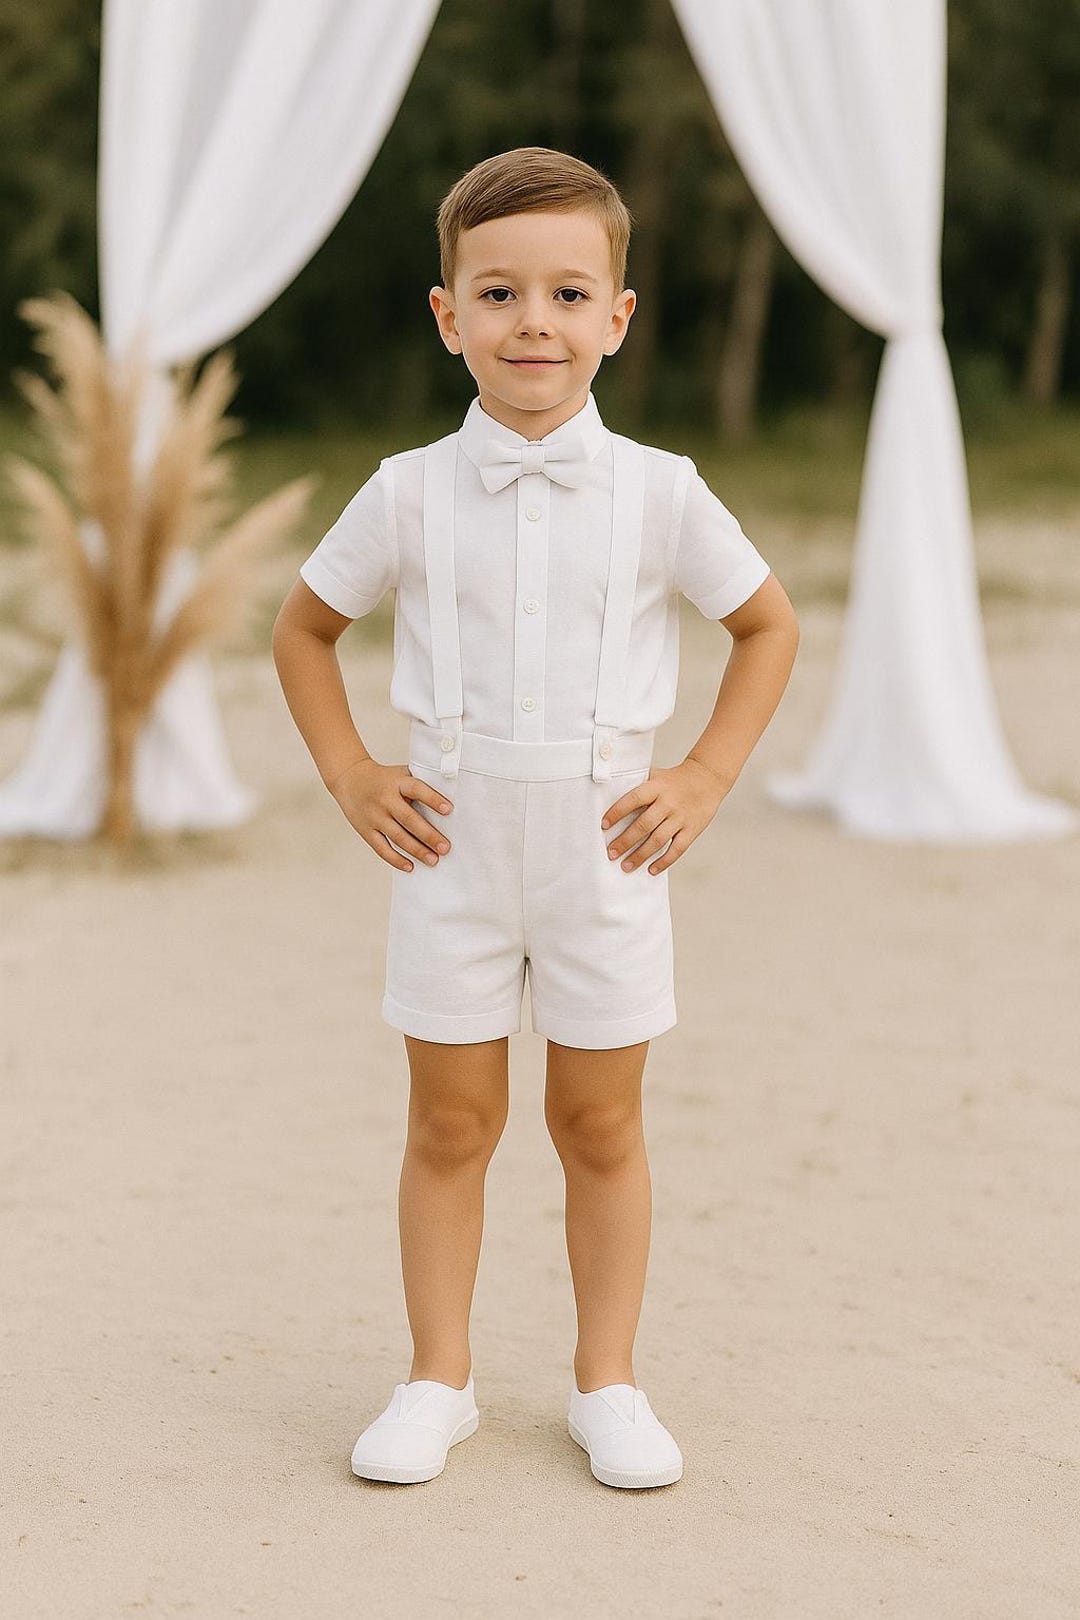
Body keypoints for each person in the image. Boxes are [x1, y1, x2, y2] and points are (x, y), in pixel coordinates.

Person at [272, 146, 799, 1490]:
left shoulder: (661, 492)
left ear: (618, 317)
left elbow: (765, 623)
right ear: (448, 316)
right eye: (499, 294)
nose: (535, 324)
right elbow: (305, 626)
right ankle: (435, 1381)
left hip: (603, 848)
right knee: (451, 1124)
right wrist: (350, 773)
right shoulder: (405, 490)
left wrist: (703, 776)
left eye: (570, 295)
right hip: (450, 847)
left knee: (599, 1124)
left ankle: (607, 1382)